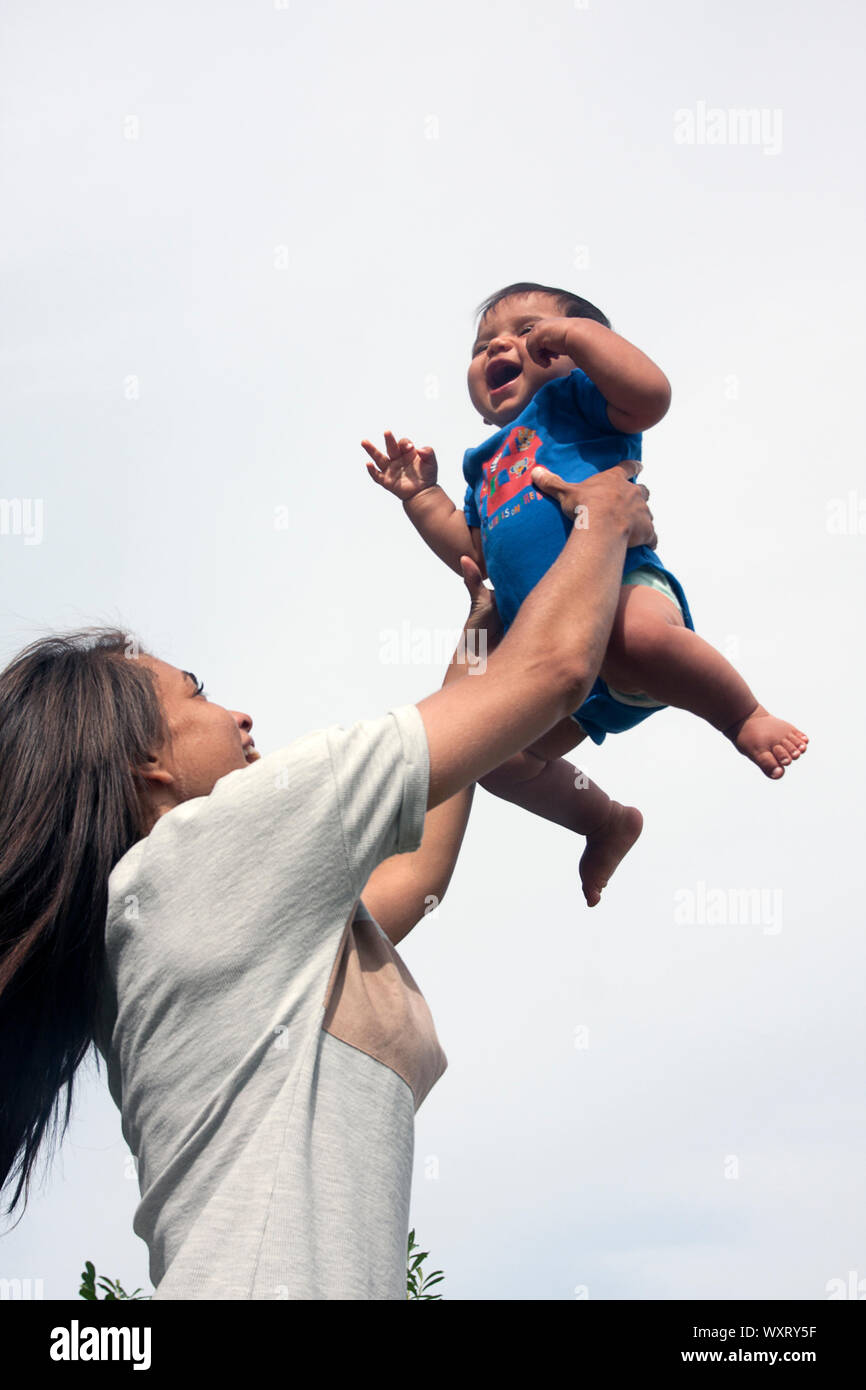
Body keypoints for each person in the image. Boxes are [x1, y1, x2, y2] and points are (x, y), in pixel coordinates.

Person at [0, 463, 654, 1300]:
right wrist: (604, 517)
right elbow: (553, 676)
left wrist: (482, 622)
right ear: (144, 759)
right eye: (196, 693)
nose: (236, 714)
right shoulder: (220, 838)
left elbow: (415, 874)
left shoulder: (173, 912)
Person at [363, 281, 808, 905]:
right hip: (562, 656)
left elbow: (649, 396)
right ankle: (604, 820)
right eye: (485, 343)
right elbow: (474, 554)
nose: (501, 346)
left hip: (624, 593)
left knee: (640, 638)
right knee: (497, 761)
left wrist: (580, 339)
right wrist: (421, 497)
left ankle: (743, 715)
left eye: (527, 330)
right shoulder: (485, 463)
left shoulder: (578, 405)